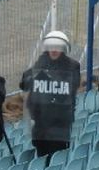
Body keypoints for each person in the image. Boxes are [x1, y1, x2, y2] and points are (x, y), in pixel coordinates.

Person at [20, 31, 81, 159]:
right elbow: (24, 83)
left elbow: (72, 88)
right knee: (42, 155)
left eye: (57, 47)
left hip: (60, 122)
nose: (54, 50)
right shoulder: (41, 62)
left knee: (57, 156)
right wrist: (33, 77)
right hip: (40, 120)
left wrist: (50, 79)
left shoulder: (72, 66)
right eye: (51, 47)